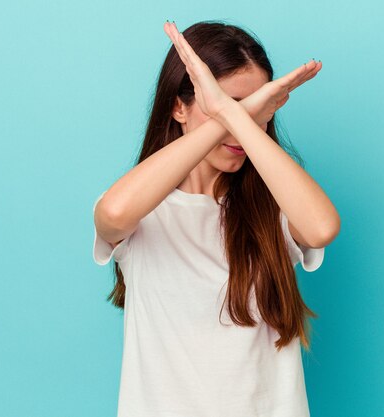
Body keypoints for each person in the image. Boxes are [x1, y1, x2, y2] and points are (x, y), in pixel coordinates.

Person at [92, 19, 341, 417]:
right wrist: (234, 116)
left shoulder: (275, 208)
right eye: (226, 103)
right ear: (179, 106)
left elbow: (322, 227)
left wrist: (226, 111)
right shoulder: (143, 209)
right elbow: (113, 214)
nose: (245, 125)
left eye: (260, 109)